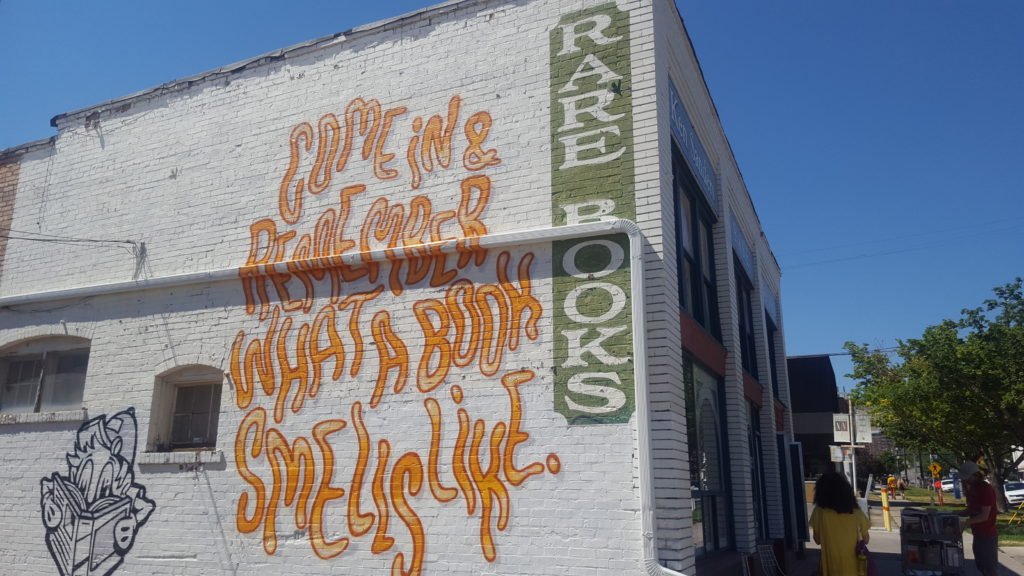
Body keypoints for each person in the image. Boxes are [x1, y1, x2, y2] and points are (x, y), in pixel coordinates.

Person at [809, 472, 871, 576]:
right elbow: (866, 540)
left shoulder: (819, 512)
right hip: (855, 568)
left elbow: (817, 540)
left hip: (831, 566)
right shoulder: (856, 512)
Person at [958, 461, 1000, 576]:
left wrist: (965, 523)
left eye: (968, 478)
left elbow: (984, 515)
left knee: (989, 569)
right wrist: (954, 514)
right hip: (977, 533)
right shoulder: (973, 489)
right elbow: (970, 510)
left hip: (987, 534)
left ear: (976, 475)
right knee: (981, 565)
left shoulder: (985, 489)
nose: (966, 481)